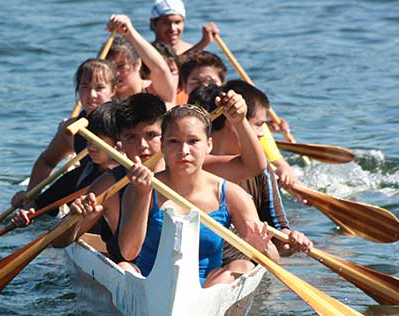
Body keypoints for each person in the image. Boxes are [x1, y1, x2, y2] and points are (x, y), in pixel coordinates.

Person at [64, 91, 267, 263]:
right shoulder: (110, 184)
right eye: (131, 137)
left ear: (163, 138)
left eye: (151, 135)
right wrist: (77, 220)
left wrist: (239, 122)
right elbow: (60, 240)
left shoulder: (191, 164)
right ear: (120, 144)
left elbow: (254, 166)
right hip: (132, 268)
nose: (142, 146)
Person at [117, 105, 275, 288]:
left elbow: (274, 259)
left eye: (193, 141)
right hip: (151, 285)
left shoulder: (232, 195)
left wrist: (261, 248)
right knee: (124, 267)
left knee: (243, 265)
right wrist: (143, 195)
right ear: (163, 146)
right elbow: (128, 252)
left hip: (206, 289)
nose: (183, 150)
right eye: (174, 141)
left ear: (209, 145)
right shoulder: (140, 188)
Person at [189, 82, 313, 260]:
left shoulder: (263, 170)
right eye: (258, 124)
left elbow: (279, 232)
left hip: (240, 260)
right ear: (232, 122)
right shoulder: (189, 165)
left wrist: (291, 240)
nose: (263, 133)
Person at [180, 52, 300, 190]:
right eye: (196, 82)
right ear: (184, 86)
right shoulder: (178, 121)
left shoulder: (238, 113)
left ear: (221, 85)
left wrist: (283, 169)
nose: (204, 86)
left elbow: (271, 162)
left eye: (211, 82)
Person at [11, 59, 117, 208]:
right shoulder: (71, 128)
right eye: (85, 87)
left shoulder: (124, 123)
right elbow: (46, 161)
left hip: (116, 186)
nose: (92, 94)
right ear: (78, 90)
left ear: (113, 90)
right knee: (36, 205)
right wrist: (31, 195)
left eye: (99, 88)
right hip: (85, 186)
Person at [11, 102, 121, 228]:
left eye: (97, 141)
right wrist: (26, 212)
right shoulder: (82, 174)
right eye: (89, 140)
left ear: (119, 142)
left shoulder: (130, 177)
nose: (90, 147)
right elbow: (39, 204)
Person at [106, 15, 177, 107]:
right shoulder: (106, 97)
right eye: (110, 68)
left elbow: (160, 69)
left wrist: (129, 32)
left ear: (138, 63)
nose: (116, 73)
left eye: (121, 66)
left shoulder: (156, 91)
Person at [149, 0, 220, 55]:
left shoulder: (197, 52)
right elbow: (168, 68)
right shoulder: (144, 53)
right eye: (166, 22)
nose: (172, 28)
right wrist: (203, 43)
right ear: (153, 23)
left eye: (177, 22)